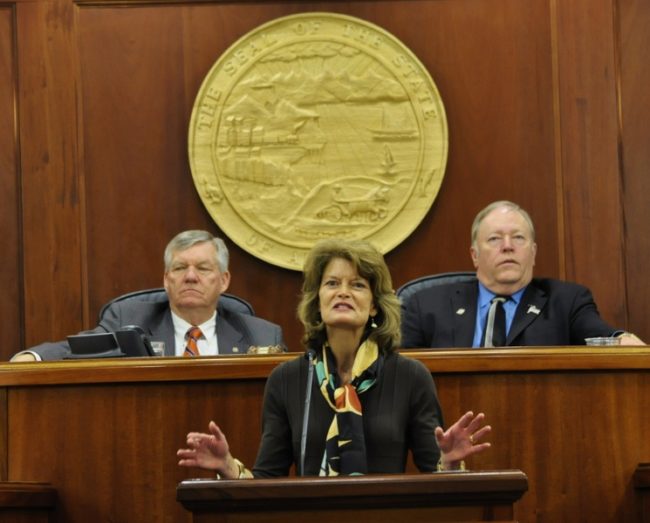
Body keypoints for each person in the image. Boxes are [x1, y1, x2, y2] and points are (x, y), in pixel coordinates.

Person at [177, 239, 491, 478]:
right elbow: (267, 482)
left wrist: (450, 462)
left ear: (374, 306)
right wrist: (228, 466)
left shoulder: (410, 376)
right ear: (318, 301)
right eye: (332, 283)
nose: (343, 292)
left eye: (357, 285)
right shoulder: (286, 380)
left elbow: (435, 478)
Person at [401, 200, 645, 348]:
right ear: (475, 255)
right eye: (495, 238)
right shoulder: (426, 304)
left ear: (533, 252)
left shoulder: (566, 302)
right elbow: (395, 370)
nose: (508, 246)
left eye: (518, 237)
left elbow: (598, 333)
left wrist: (621, 339)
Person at [11, 230, 285, 361]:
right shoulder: (128, 319)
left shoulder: (261, 336)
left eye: (202, 268)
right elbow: (78, 350)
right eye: (179, 268)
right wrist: (33, 357)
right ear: (166, 280)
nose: (191, 276)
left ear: (224, 281)